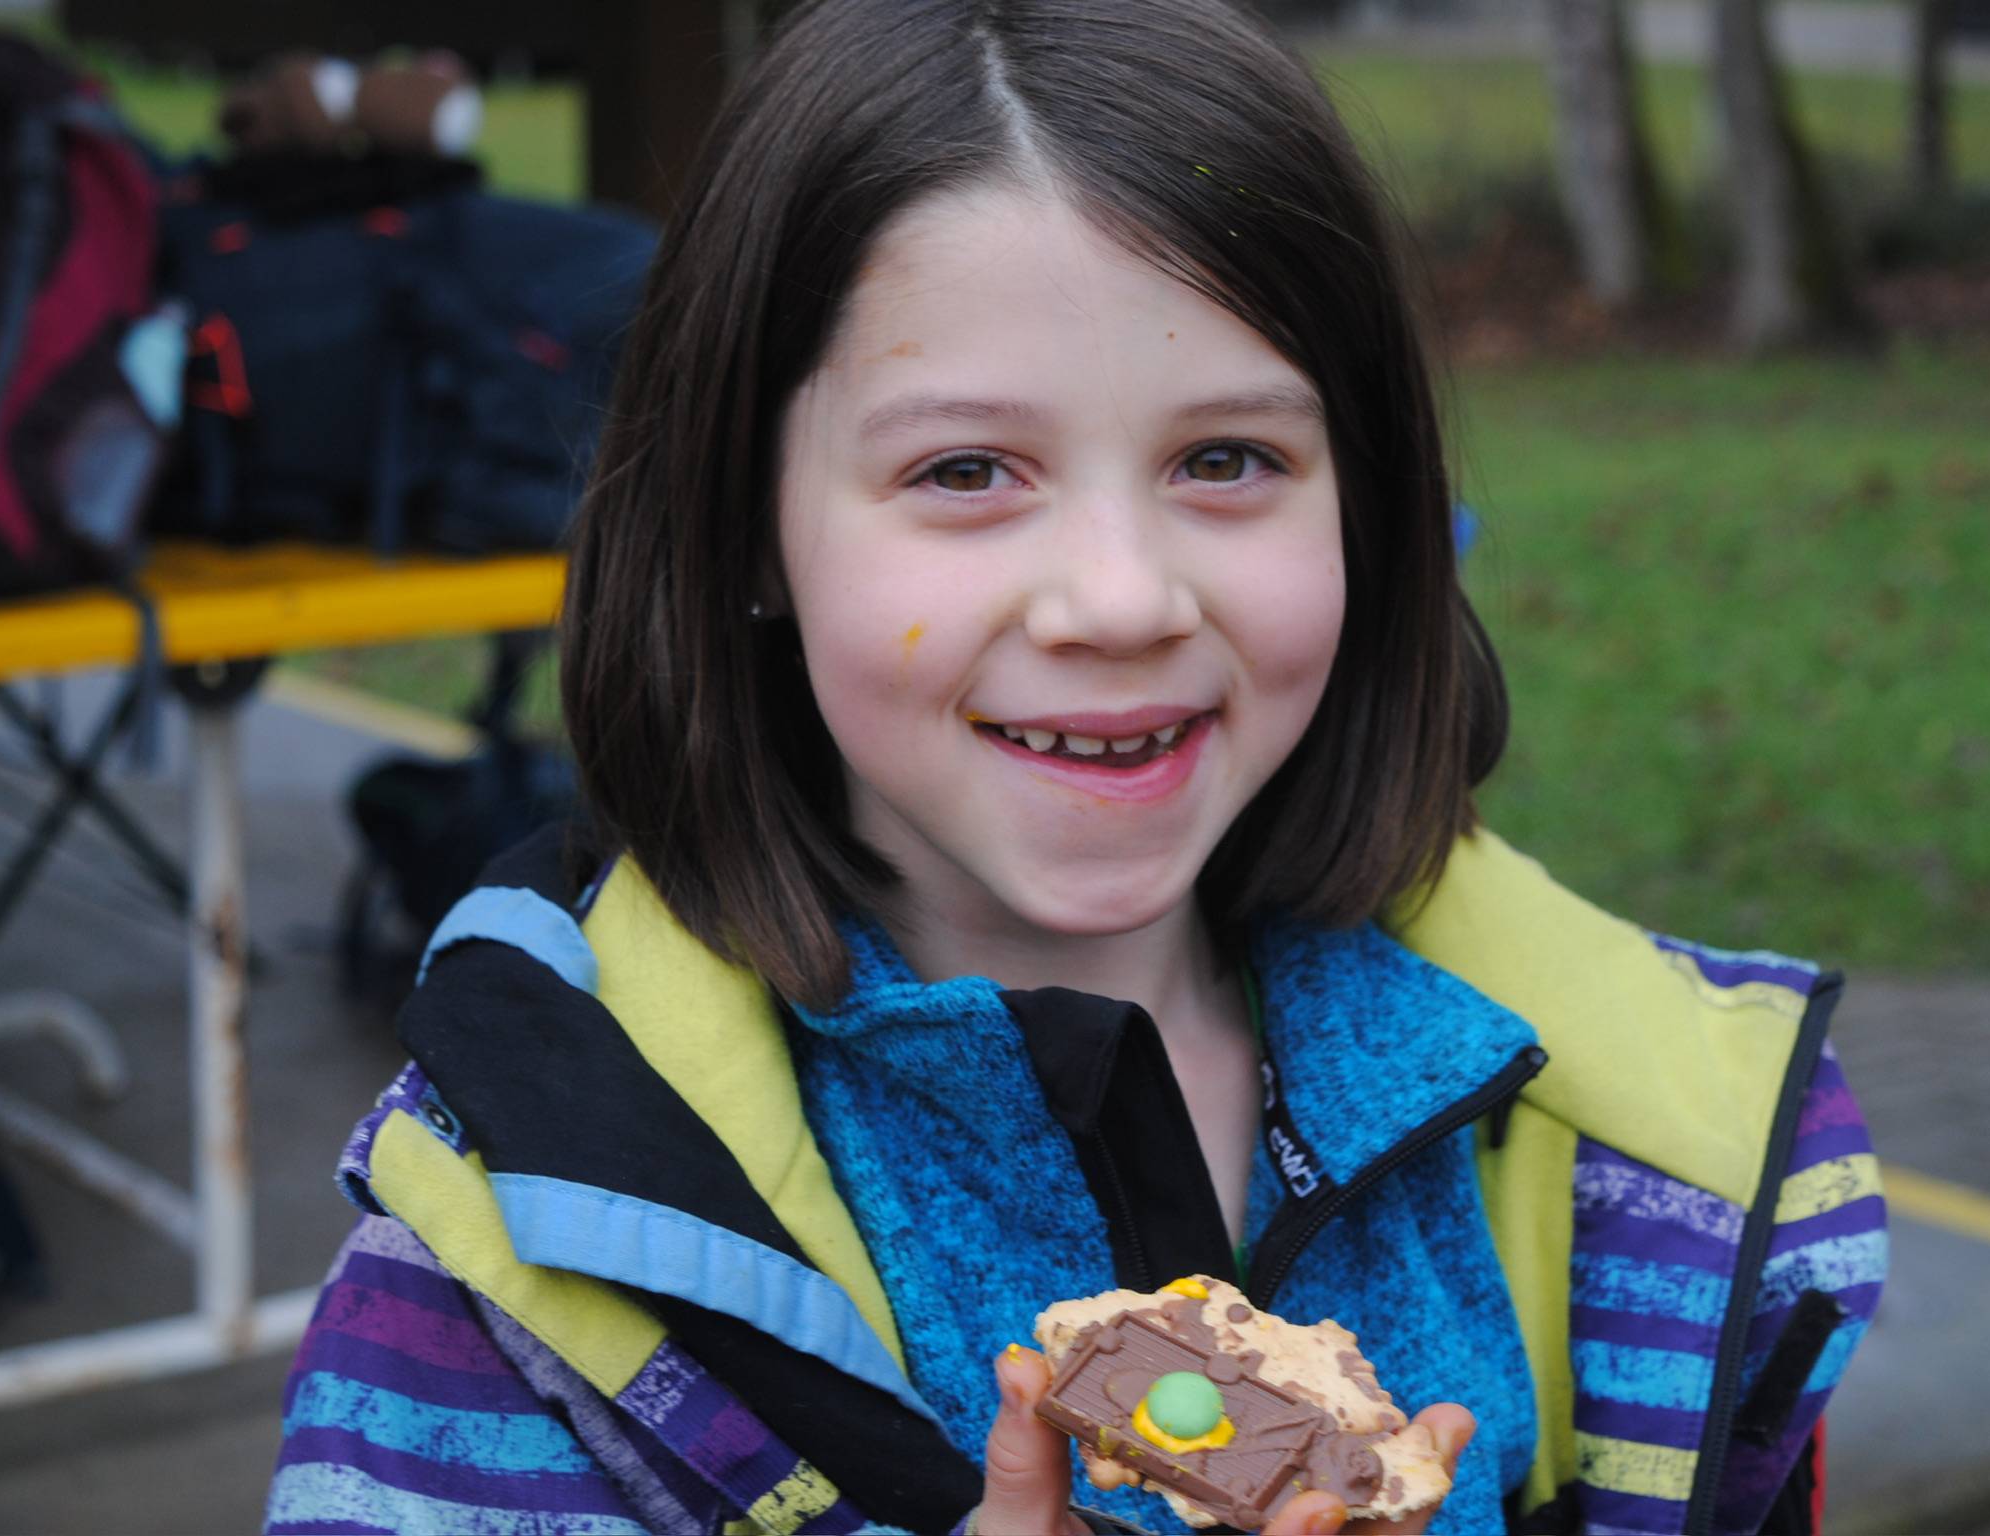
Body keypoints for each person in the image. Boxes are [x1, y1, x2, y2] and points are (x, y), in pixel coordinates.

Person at [263, 1, 1886, 1532]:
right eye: (967, 469)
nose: (1118, 601)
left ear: (1368, 508)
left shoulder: (1651, 1171)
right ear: (743, 526)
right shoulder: (506, 1263)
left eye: (1225, 458)